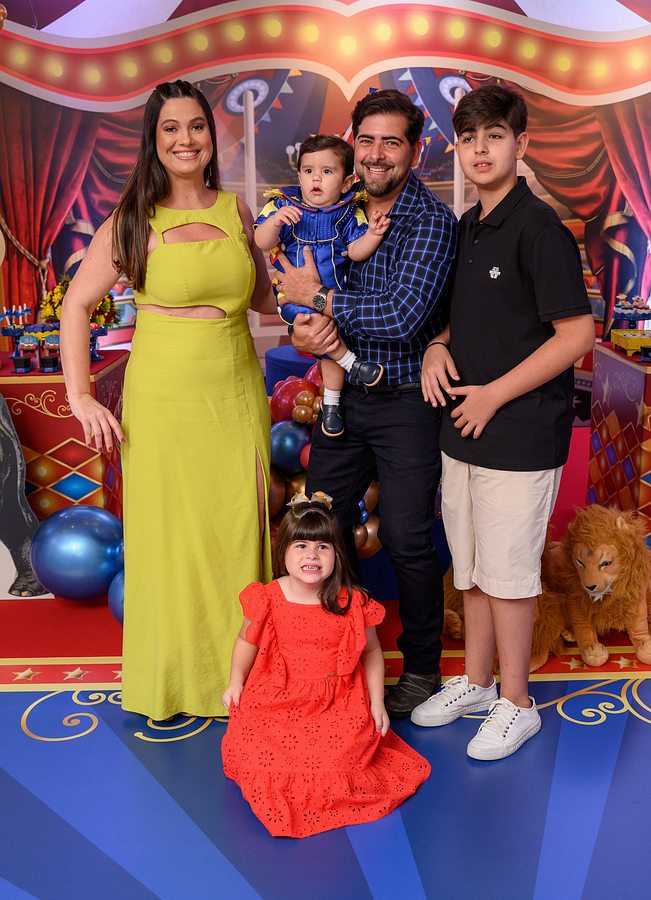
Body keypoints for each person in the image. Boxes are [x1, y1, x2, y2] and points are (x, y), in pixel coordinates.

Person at [60, 80, 276, 720]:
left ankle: (240, 681)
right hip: (163, 399)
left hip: (236, 391)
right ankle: (174, 681)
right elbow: (76, 305)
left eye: (197, 126)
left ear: (211, 136)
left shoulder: (236, 211)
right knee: (171, 540)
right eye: (171, 129)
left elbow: (264, 299)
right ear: (153, 142)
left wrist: (318, 287)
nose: (186, 140)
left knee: (239, 530)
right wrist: (80, 396)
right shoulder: (134, 217)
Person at [413, 84, 595, 759]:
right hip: (463, 430)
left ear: (521, 143)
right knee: (470, 568)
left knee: (509, 575)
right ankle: (478, 681)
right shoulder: (468, 227)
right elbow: (463, 319)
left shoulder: (539, 229)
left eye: (494, 135)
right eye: (468, 138)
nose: (480, 149)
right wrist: (436, 346)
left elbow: (575, 335)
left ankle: (517, 704)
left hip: (518, 434)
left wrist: (493, 395)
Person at [271, 89, 458, 719]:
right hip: (340, 398)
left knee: (406, 535)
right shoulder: (335, 203)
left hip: (405, 400)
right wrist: (301, 319)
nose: (377, 154)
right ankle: (338, 654)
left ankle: (422, 667)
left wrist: (318, 300)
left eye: (392, 142)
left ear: (415, 150)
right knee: (322, 526)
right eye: (368, 140)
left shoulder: (430, 221)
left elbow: (402, 318)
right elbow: (289, 280)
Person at [220, 493, 430, 838]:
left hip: (337, 700)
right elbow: (246, 641)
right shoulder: (267, 597)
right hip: (279, 694)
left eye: (323, 547)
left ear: (337, 554)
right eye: (301, 546)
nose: (312, 556)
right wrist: (236, 681)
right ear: (283, 551)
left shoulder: (352, 601)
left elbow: (372, 653)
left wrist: (377, 702)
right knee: (255, 741)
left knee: (340, 759)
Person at [254, 134, 390, 436]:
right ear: (299, 176)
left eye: (327, 171)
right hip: (292, 298)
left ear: (346, 182)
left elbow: (356, 251)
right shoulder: (284, 206)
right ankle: (352, 364)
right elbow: (261, 241)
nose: (316, 178)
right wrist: (275, 222)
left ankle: (331, 404)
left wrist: (373, 235)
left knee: (327, 335)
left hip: (332, 297)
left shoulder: (347, 213)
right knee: (319, 326)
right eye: (308, 171)